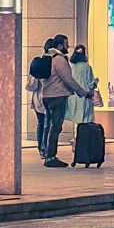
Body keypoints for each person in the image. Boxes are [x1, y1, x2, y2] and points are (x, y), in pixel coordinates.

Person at [38, 37, 79, 166]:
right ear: (60, 46)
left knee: (48, 126)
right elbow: (68, 79)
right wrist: (82, 92)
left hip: (46, 96)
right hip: (58, 96)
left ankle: (47, 153)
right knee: (55, 127)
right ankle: (51, 157)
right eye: (67, 44)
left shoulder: (47, 57)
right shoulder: (59, 59)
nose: (69, 46)